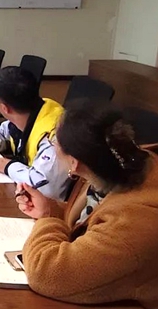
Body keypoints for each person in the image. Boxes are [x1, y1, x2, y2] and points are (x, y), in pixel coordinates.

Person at [16, 102, 158, 308]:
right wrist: (52, 209)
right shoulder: (121, 163)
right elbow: (89, 217)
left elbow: (45, 273)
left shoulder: (134, 224)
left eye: (54, 141)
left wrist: (47, 219)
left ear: (74, 163)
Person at [0, 67, 70, 200]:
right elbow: (4, 130)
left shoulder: (53, 138)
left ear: (4, 108)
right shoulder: (35, 109)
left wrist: (7, 166)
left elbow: (45, 186)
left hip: (54, 206)